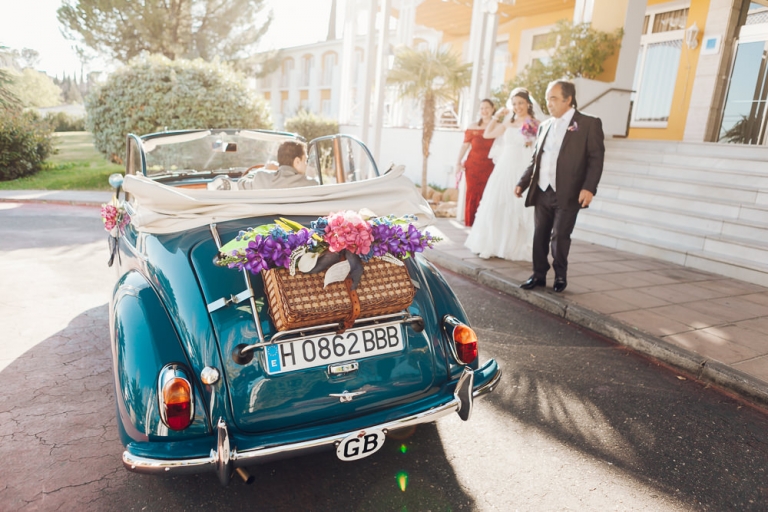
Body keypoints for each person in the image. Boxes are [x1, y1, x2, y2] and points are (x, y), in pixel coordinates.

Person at [515, 79, 605, 293]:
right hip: (543, 190)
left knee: (560, 236)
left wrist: (589, 187)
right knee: (540, 235)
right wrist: (523, 182)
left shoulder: (588, 124)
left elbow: (596, 159)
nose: (549, 104)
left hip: (569, 192)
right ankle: (538, 275)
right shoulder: (544, 126)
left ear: (568, 99)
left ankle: (560, 276)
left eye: (553, 98)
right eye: (547, 99)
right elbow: (536, 159)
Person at [464, 88, 541, 260]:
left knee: (515, 205)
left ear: (528, 103)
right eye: (514, 104)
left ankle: (512, 245)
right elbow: (488, 133)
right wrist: (496, 116)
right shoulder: (508, 123)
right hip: (504, 165)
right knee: (496, 202)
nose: (518, 106)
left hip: (521, 165)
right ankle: (492, 244)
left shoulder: (532, 122)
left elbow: (530, 146)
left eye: (521, 103)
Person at [454, 99, 497, 226]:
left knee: (488, 193)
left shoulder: (497, 126)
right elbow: (465, 146)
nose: (484, 111)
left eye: (487, 108)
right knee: (473, 193)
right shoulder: (473, 126)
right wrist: (458, 162)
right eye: (482, 108)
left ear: (493, 108)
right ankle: (472, 222)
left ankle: (485, 224)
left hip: (491, 166)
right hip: (473, 166)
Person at [209, 140, 316, 190]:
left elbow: (241, 182)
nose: (306, 164)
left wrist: (263, 169)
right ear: (297, 161)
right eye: (305, 160)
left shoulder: (261, 177)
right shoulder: (312, 185)